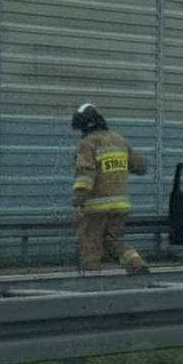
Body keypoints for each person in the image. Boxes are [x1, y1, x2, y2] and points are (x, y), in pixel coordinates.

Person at [70, 103, 149, 274]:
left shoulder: (87, 143)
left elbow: (85, 174)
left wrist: (78, 200)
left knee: (89, 243)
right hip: (121, 205)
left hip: (96, 207)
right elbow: (140, 166)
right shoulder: (119, 140)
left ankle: (90, 279)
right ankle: (137, 264)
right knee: (115, 240)